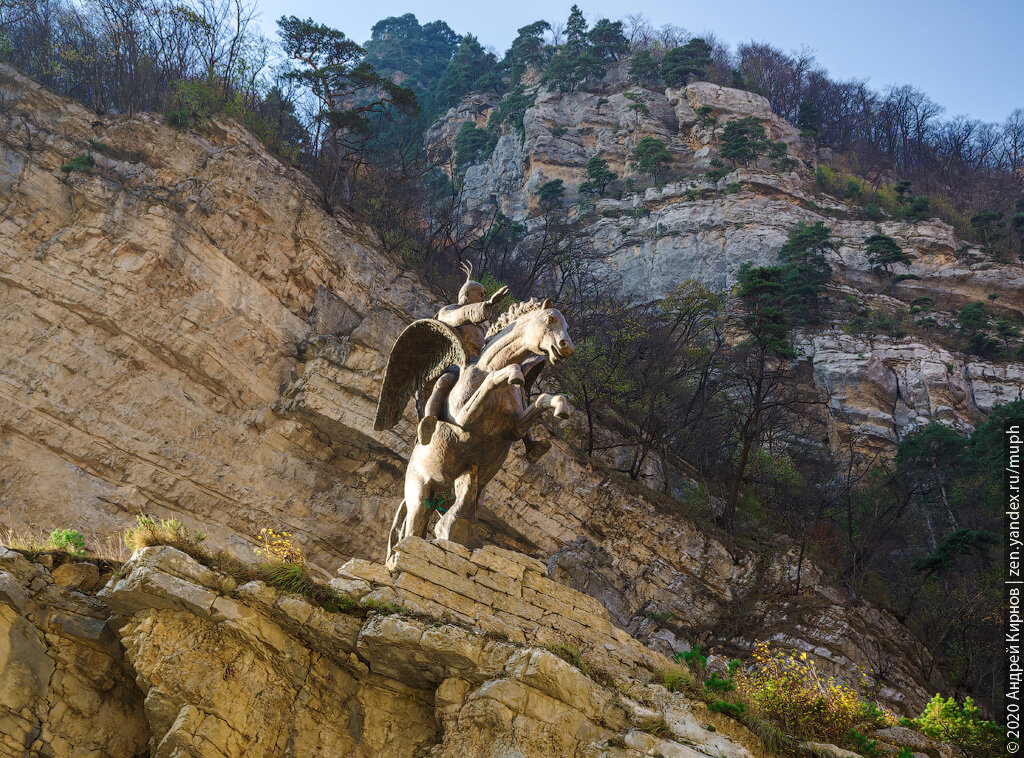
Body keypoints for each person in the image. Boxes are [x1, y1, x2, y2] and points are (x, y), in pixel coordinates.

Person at [418, 262, 551, 462]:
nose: (482, 296)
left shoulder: (484, 324)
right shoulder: (449, 311)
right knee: (444, 381)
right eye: (479, 294)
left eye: (483, 294)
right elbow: (461, 316)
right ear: (465, 296)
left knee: (518, 390)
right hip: (458, 360)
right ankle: (429, 420)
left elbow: (491, 343)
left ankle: (529, 442)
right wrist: (487, 305)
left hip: (480, 362)